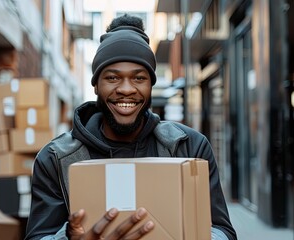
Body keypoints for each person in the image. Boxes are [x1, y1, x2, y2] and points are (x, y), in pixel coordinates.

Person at [25, 14, 237, 240]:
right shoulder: (56, 159)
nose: (126, 89)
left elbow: (222, 231)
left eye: (138, 78)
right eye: (113, 78)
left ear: (151, 84)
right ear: (96, 85)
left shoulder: (189, 147)